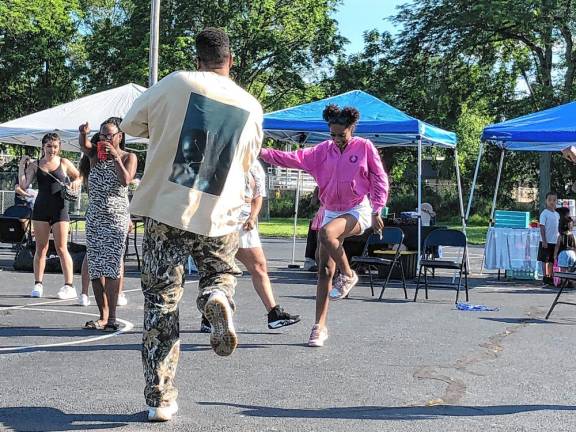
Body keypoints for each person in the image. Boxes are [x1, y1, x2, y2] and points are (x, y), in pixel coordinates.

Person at [120, 28, 263, 422]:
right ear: (230, 61)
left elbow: (131, 125)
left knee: (161, 305)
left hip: (168, 209)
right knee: (220, 272)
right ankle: (215, 297)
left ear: (197, 59)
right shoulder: (250, 104)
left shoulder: (176, 82)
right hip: (219, 212)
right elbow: (249, 162)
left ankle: (160, 399)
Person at [260, 104, 389, 347]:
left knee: (327, 234)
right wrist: (262, 152)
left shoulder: (364, 147)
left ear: (351, 129)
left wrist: (377, 209)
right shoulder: (322, 151)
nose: (337, 139)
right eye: (333, 134)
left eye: (342, 135)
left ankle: (349, 275)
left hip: (356, 209)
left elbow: (379, 179)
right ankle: (319, 327)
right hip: (330, 210)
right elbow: (292, 158)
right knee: (324, 271)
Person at [200, 160, 300, 332]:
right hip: (222, 218)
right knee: (218, 268)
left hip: (244, 220)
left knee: (258, 266)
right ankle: (209, 317)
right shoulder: (221, 157)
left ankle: (273, 313)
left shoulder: (254, 165)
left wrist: (253, 216)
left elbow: (258, 195)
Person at [77, 118, 136, 331]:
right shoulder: (94, 156)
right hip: (95, 217)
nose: (105, 139)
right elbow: (84, 146)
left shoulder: (129, 156)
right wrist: (83, 133)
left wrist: (115, 158)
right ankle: (101, 315)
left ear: (120, 136)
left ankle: (112, 318)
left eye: (109, 135)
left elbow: (126, 180)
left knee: (111, 268)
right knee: (95, 268)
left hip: (116, 218)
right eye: (102, 135)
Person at [18, 133, 81, 299]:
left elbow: (79, 176)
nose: (52, 149)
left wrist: (75, 182)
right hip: (41, 208)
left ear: (59, 147)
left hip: (60, 208)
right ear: (43, 147)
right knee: (41, 248)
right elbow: (24, 185)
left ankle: (69, 285)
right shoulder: (36, 165)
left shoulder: (64, 162)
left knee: (61, 248)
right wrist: (21, 167)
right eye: (48, 146)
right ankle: (38, 284)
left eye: (55, 146)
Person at [538, 192, 559, 285]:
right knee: (545, 260)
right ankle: (545, 277)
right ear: (546, 201)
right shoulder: (544, 213)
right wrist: (544, 240)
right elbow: (542, 227)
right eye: (550, 200)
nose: (552, 202)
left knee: (551, 260)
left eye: (554, 200)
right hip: (546, 241)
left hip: (554, 241)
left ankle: (550, 277)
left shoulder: (557, 214)